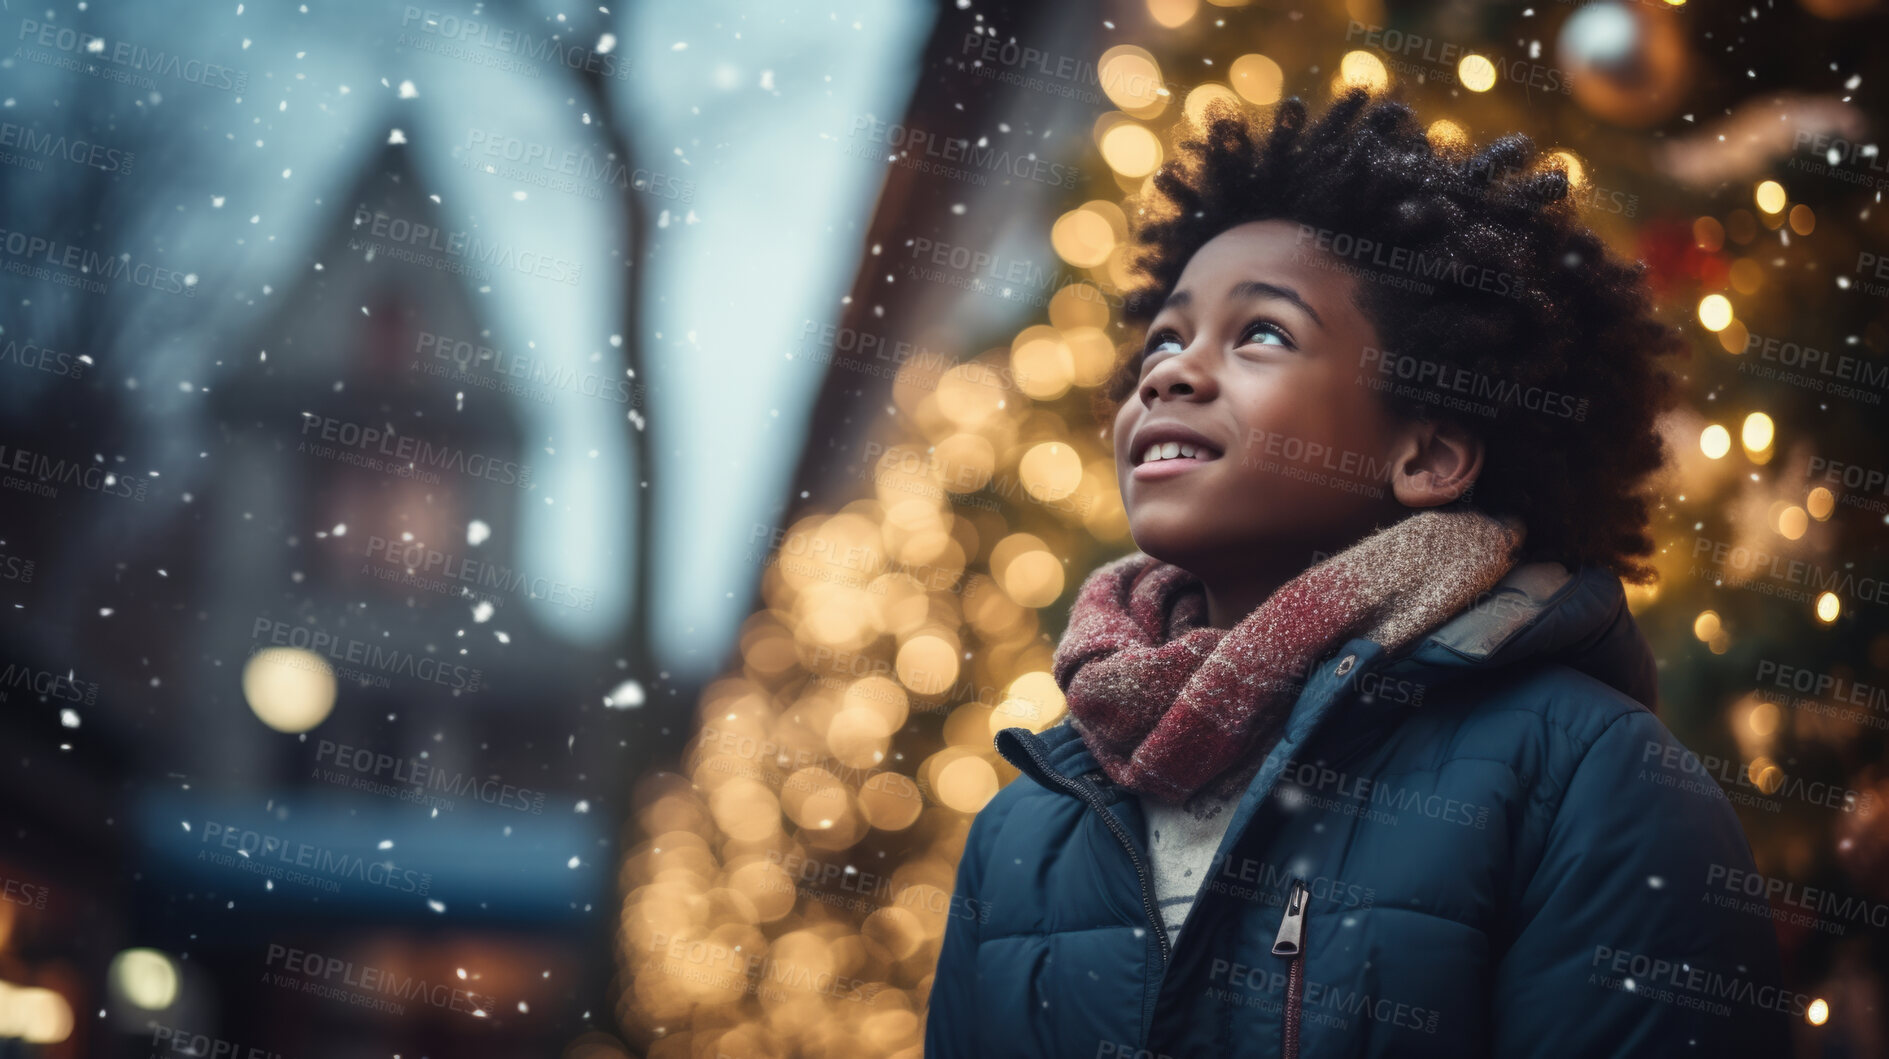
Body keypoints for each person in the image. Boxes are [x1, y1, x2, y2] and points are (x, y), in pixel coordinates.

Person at [924, 89, 1790, 1058]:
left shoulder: (1586, 776)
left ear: (1425, 458)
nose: (1166, 374)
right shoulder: (1022, 827)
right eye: (1162, 340)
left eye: (1260, 334)